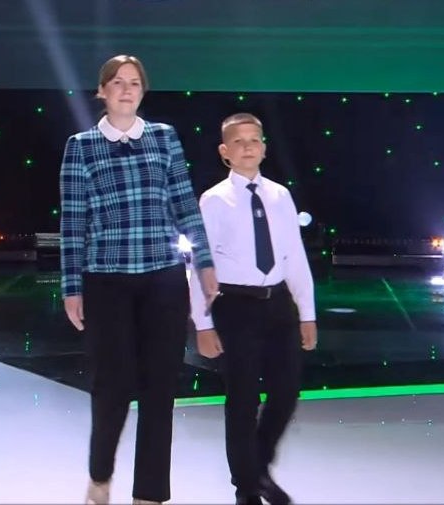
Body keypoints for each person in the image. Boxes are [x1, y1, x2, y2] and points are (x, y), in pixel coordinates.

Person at [59, 54, 218, 505]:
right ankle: (100, 476)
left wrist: (205, 262)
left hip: (163, 279)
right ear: (102, 91)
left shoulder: (164, 137)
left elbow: (185, 204)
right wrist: (71, 287)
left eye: (134, 83)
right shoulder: (81, 146)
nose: (126, 89)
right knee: (111, 386)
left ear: (142, 91)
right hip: (106, 281)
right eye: (117, 82)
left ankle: (149, 494)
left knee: (160, 388)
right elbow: (73, 221)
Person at [189, 113, 317, 505]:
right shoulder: (214, 200)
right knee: (243, 400)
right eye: (239, 141)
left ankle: (257, 466)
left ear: (264, 147)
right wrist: (202, 323)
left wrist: (307, 313)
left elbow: (294, 256)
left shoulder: (280, 196)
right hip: (234, 306)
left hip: (277, 303)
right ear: (225, 152)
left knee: (286, 391)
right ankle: (246, 488)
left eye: (254, 140)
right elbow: (200, 265)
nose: (248, 147)